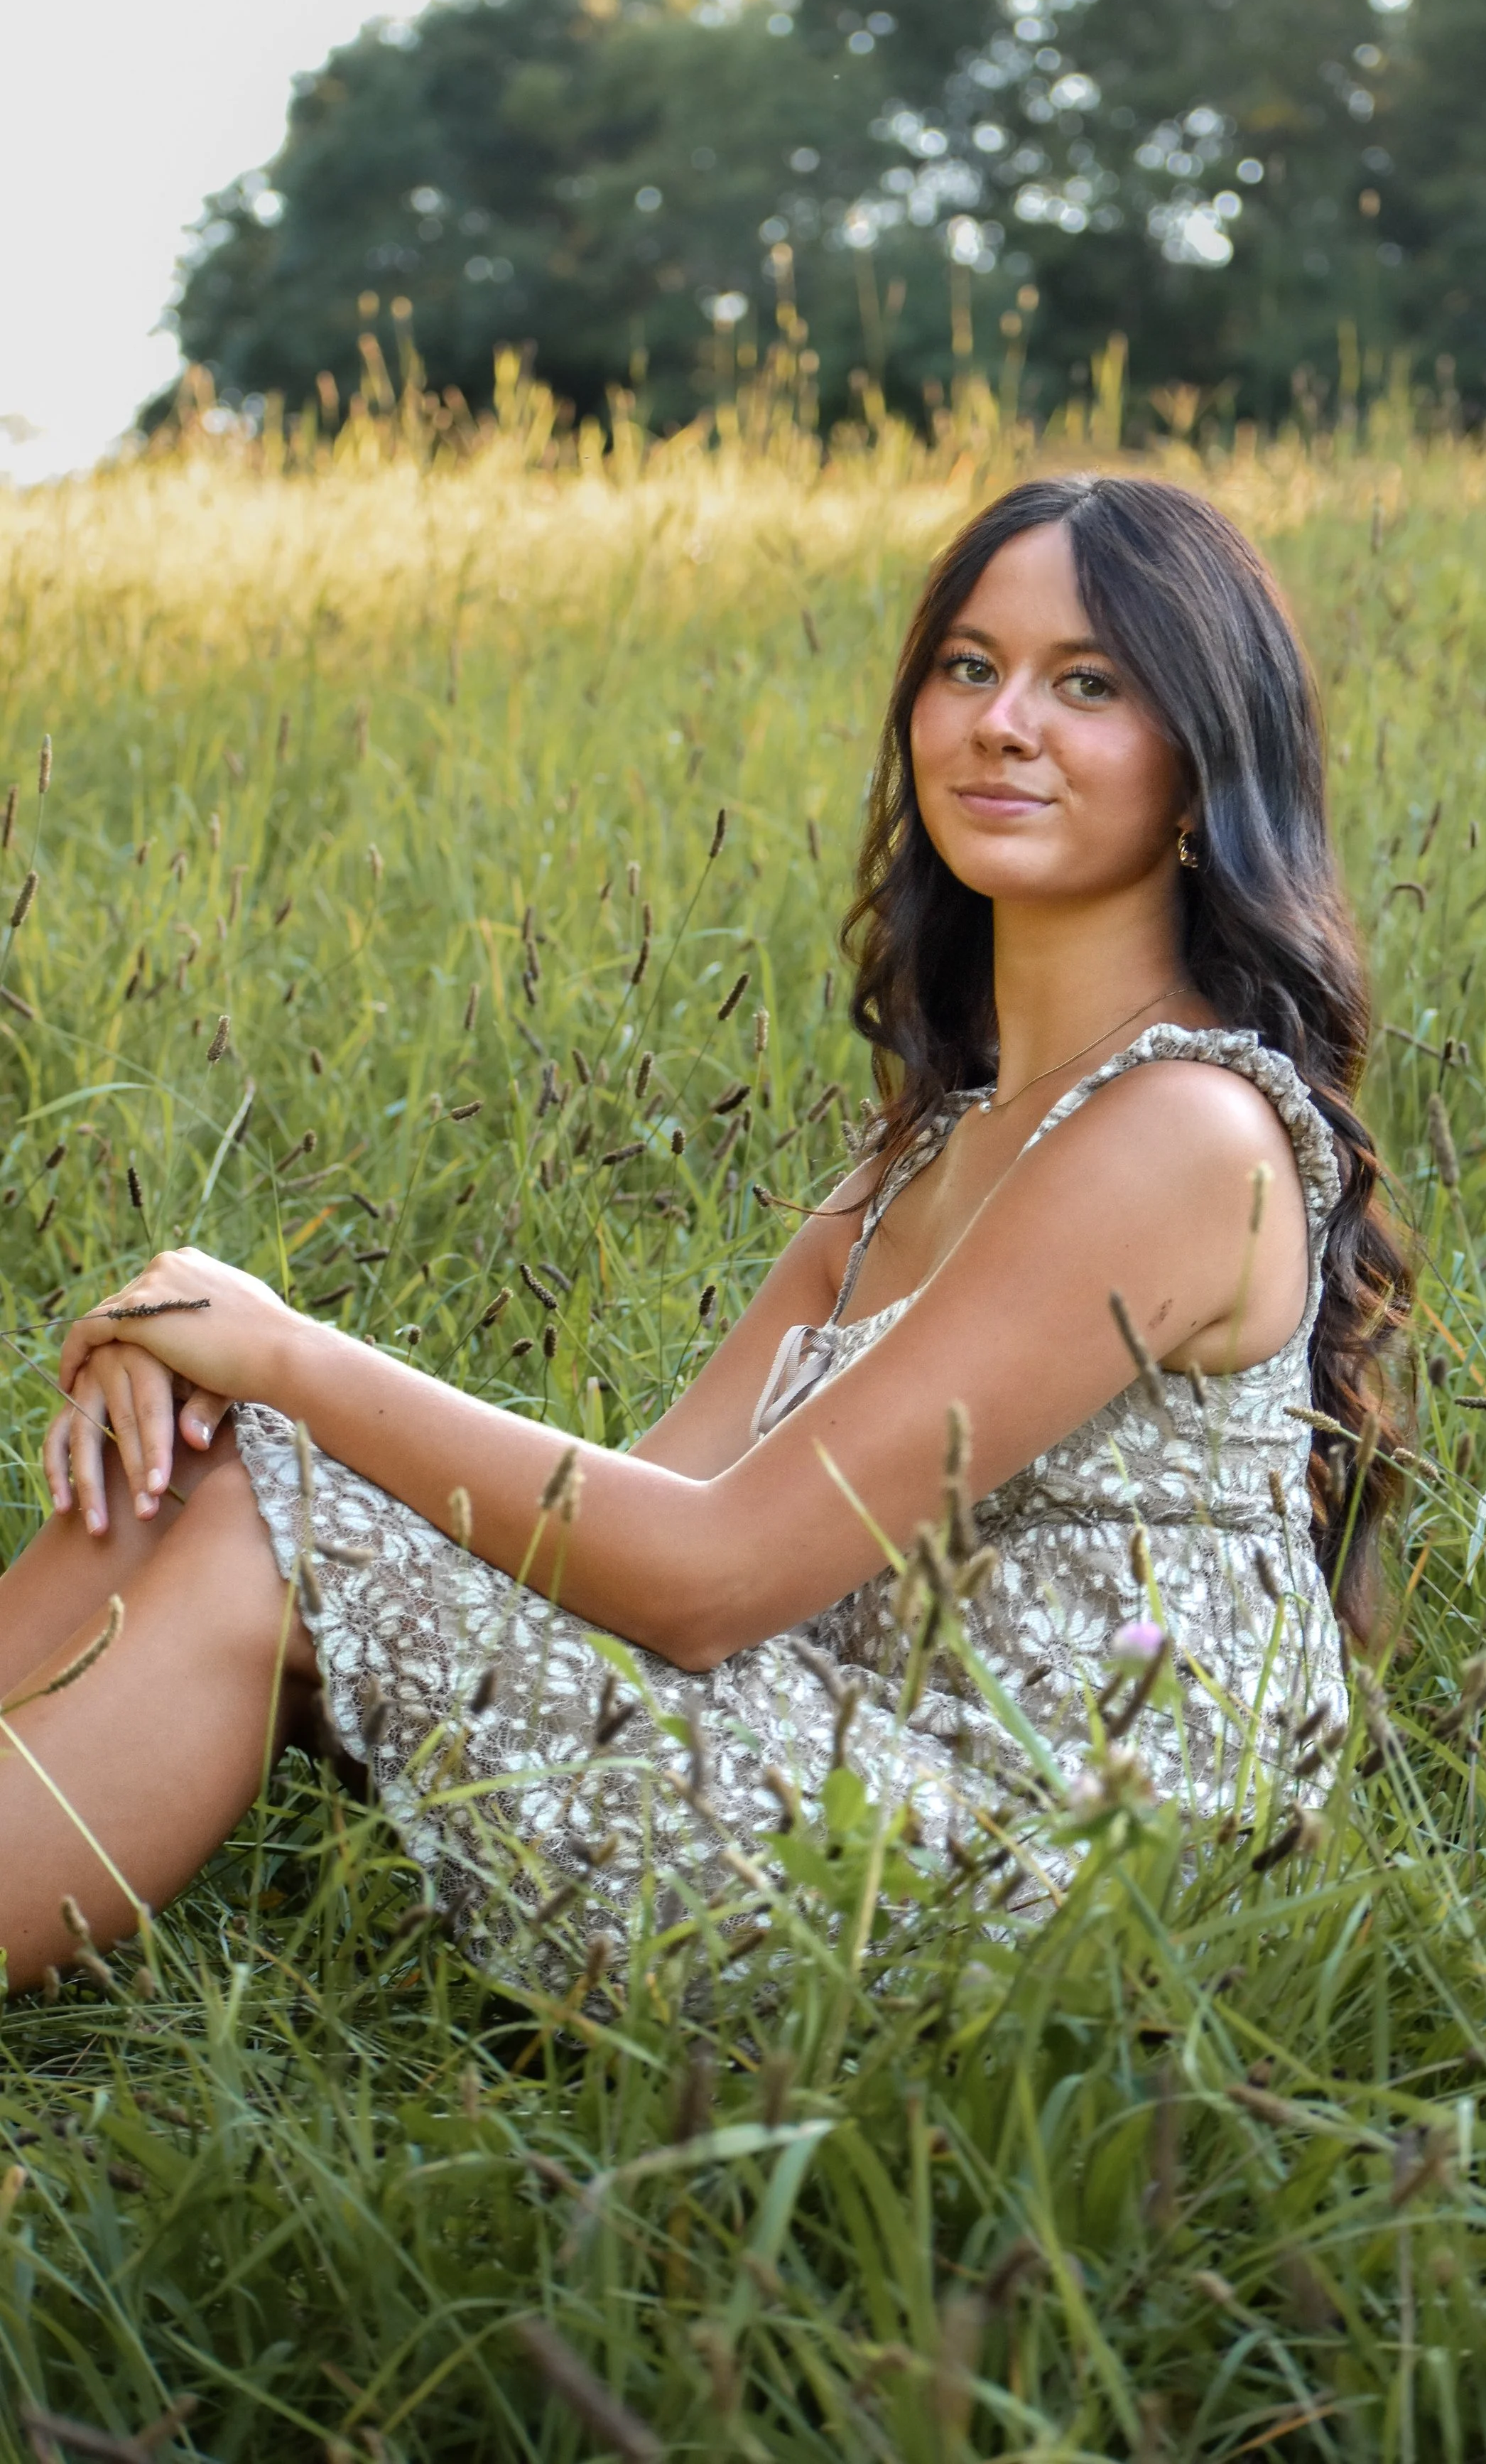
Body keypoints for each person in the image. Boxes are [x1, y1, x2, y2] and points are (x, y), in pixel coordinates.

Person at [0, 475, 1411, 1994]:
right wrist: (227, 1386)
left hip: (1050, 1880)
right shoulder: (935, 1150)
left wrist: (284, 1355)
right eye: (967, 667)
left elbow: (707, 1577)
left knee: (259, 1511)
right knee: (215, 1465)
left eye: (1088, 685)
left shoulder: (1182, 1135)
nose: (1005, 721)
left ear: (1201, 769)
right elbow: (654, 1507)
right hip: (857, 1767)